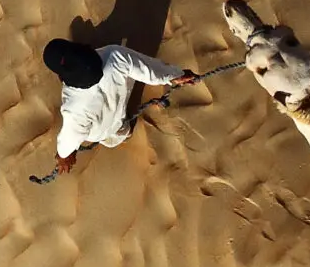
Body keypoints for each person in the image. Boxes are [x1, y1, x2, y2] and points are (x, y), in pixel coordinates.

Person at [42, 39, 198, 176]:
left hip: (103, 131)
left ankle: (123, 131)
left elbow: (69, 139)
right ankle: (124, 129)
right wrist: (176, 75)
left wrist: (64, 156)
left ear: (61, 76)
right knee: (120, 121)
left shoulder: (74, 108)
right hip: (120, 102)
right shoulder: (114, 55)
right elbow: (149, 70)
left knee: (111, 137)